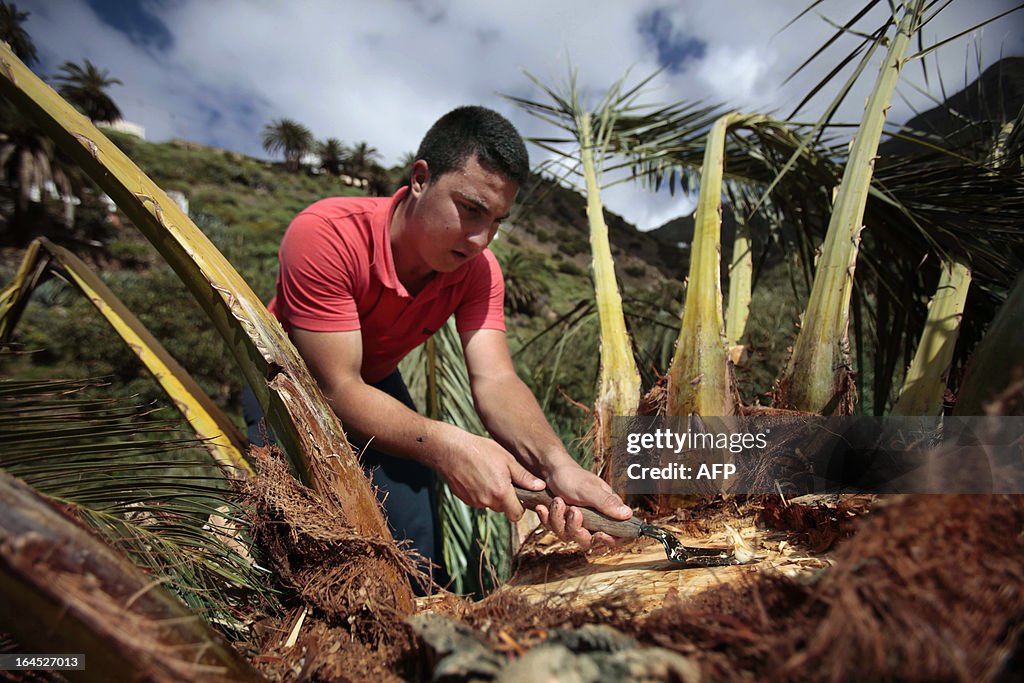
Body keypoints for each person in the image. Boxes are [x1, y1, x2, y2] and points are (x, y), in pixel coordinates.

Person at [250, 105, 631, 590]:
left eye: (496, 220)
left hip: (373, 380)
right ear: (421, 179)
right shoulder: (326, 234)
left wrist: (558, 467)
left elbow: (496, 380)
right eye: (470, 210)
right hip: (286, 382)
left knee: (413, 537)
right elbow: (335, 387)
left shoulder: (480, 271)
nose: (480, 239)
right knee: (296, 527)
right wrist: (449, 445)